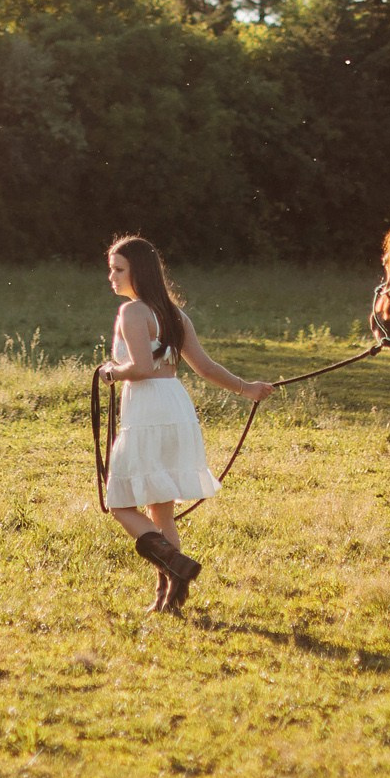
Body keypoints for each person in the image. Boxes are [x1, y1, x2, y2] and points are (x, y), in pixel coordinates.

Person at [97, 234, 272, 613]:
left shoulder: (132, 313)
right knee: (162, 511)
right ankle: (169, 596)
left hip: (146, 410)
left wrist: (111, 372)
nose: (110, 276)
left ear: (137, 271)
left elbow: (140, 368)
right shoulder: (176, 315)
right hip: (175, 406)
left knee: (119, 503)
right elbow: (206, 368)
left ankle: (174, 564)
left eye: (118, 269)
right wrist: (248, 389)